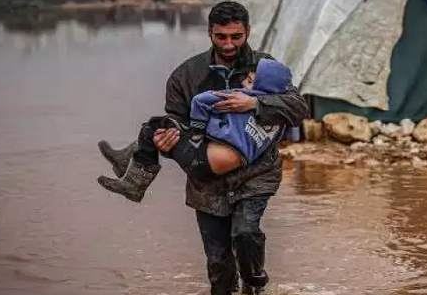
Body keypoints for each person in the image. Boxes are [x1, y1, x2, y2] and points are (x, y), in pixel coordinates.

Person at [97, 1, 309, 295]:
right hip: (207, 182)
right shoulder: (186, 75)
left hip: (256, 174)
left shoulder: (266, 68)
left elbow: (298, 108)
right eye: (221, 37)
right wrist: (166, 142)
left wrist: (254, 101)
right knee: (219, 265)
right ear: (209, 32)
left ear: (247, 32)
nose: (229, 44)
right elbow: (179, 131)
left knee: (246, 234)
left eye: (236, 36)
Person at [97, 58, 293, 202]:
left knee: (157, 126)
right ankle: (127, 161)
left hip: (202, 161)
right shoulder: (275, 118)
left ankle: (134, 183)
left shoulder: (239, 96)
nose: (243, 83)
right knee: (171, 129)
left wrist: (198, 131)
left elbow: (201, 100)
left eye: (250, 81)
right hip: (226, 167)